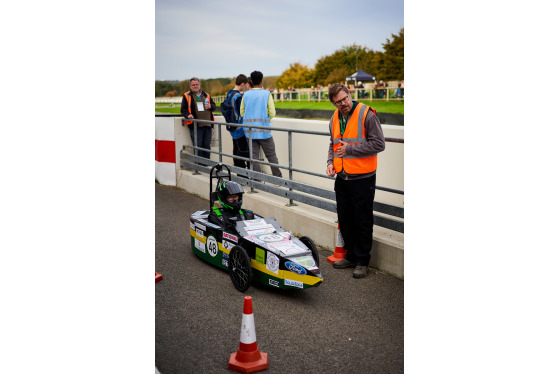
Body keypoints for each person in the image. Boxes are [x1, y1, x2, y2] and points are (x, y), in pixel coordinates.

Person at [326, 83, 385, 279]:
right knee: (345, 218)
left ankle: (362, 261)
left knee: (363, 219)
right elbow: (333, 144)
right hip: (342, 177)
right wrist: (330, 162)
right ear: (333, 103)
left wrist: (350, 149)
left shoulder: (367, 114)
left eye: (345, 99)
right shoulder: (334, 118)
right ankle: (351, 256)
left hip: (363, 178)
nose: (343, 103)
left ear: (350, 94)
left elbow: (379, 144)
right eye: (338, 102)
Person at [241, 71, 283, 178]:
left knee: (254, 157)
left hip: (249, 132)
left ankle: (257, 180)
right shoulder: (266, 94)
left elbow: (242, 112)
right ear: (261, 81)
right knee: (271, 156)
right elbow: (272, 113)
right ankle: (278, 179)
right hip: (264, 131)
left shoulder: (245, 95)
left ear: (250, 81)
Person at [181, 77, 216, 160]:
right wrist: (188, 115)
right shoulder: (187, 96)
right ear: (190, 86)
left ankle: (207, 164)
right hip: (196, 126)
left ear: (199, 85)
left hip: (207, 125)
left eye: (197, 84)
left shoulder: (206, 95)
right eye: (193, 85)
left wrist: (211, 106)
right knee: (198, 146)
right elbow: (183, 109)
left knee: (207, 146)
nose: (195, 86)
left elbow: (214, 107)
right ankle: (199, 166)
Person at [223, 74, 251, 169]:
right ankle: (243, 174)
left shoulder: (230, 94)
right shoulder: (238, 97)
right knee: (243, 151)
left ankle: (239, 173)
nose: (246, 87)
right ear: (242, 84)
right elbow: (242, 112)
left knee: (236, 150)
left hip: (232, 127)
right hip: (239, 128)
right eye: (245, 85)